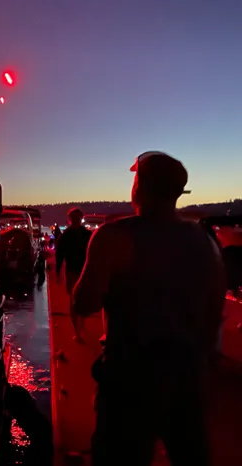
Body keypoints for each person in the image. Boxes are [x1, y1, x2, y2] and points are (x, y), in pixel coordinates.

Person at [72, 151, 226, 466]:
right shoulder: (205, 241)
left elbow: (84, 301)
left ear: (139, 185)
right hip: (188, 378)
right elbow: (215, 309)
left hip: (130, 380)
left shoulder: (115, 236)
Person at [55, 207, 92, 341]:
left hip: (77, 270)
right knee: (76, 299)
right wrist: (58, 271)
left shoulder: (67, 235)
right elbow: (60, 255)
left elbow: (60, 255)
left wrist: (58, 271)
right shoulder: (86, 235)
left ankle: (78, 328)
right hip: (79, 271)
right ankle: (78, 328)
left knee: (75, 300)